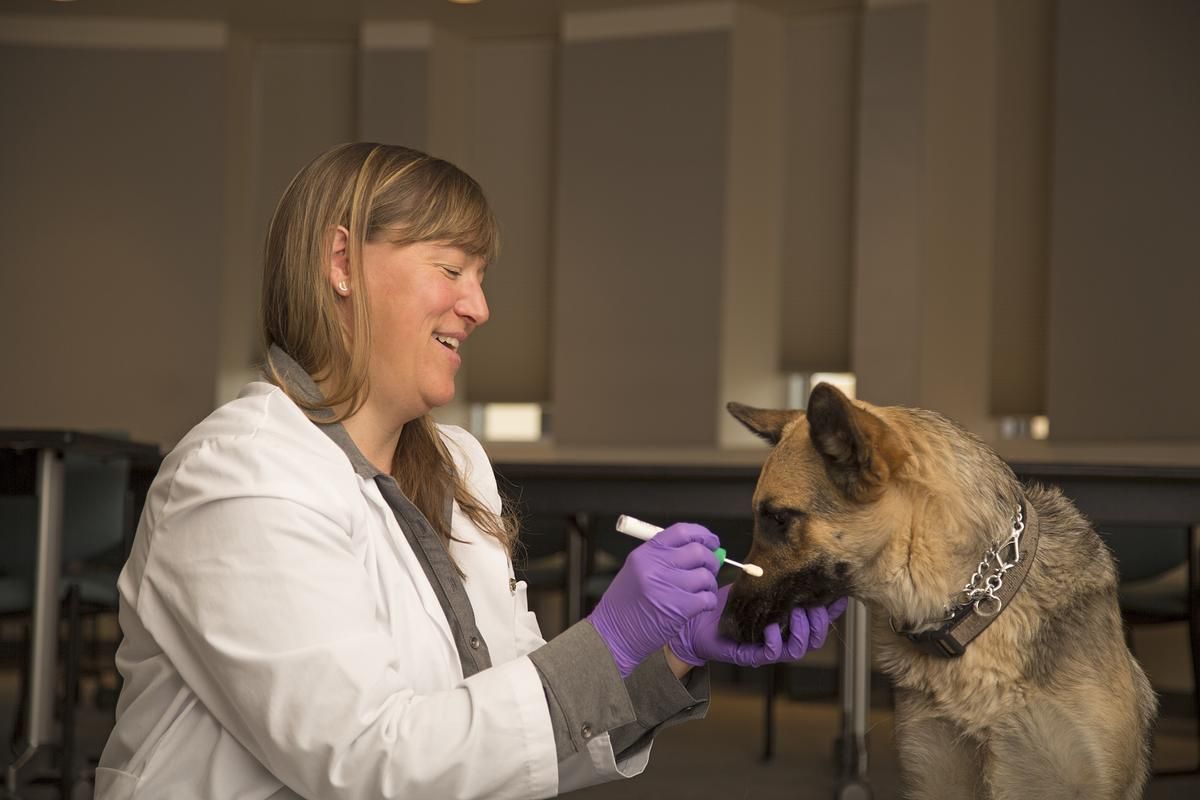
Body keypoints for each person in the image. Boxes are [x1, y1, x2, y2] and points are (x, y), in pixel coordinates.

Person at [96, 142, 845, 799]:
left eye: (481, 275)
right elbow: (364, 765)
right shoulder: (241, 475)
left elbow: (501, 742)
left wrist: (676, 651)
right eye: (451, 268)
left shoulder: (455, 465)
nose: (480, 306)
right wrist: (605, 642)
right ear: (340, 263)